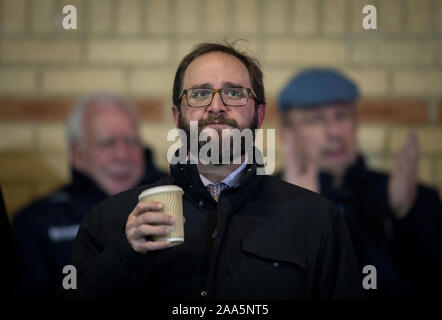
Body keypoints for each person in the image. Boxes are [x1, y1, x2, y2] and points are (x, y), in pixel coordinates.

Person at [58, 42, 363, 300]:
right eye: (200, 94)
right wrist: (125, 254)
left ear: (259, 114)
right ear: (178, 116)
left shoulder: (316, 218)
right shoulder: (110, 219)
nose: (217, 106)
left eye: (234, 93)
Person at [277, 68, 442, 299]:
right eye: (316, 120)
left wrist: (410, 214)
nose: (334, 132)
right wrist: (296, 224)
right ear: (287, 134)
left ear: (356, 124)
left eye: (342, 116)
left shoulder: (404, 195)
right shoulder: (260, 202)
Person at [12, 93, 166, 299]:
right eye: (107, 143)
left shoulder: (181, 196)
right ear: (78, 154)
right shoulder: (36, 223)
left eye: (131, 141)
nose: (122, 154)